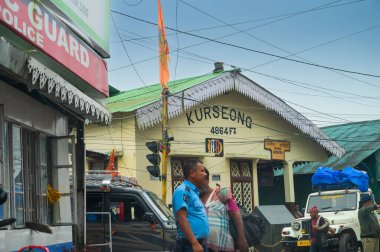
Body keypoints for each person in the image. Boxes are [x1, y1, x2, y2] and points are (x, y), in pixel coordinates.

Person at [200, 168, 248, 252]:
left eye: (200, 182)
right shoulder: (194, 198)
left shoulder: (223, 193)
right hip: (202, 246)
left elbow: (236, 215)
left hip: (223, 245)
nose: (197, 186)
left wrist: (242, 238)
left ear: (207, 180)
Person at [172, 159, 209, 252]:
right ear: (192, 173)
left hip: (199, 243)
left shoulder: (193, 192)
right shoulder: (183, 190)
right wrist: (194, 243)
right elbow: (182, 218)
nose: (205, 174)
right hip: (189, 245)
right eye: (202, 171)